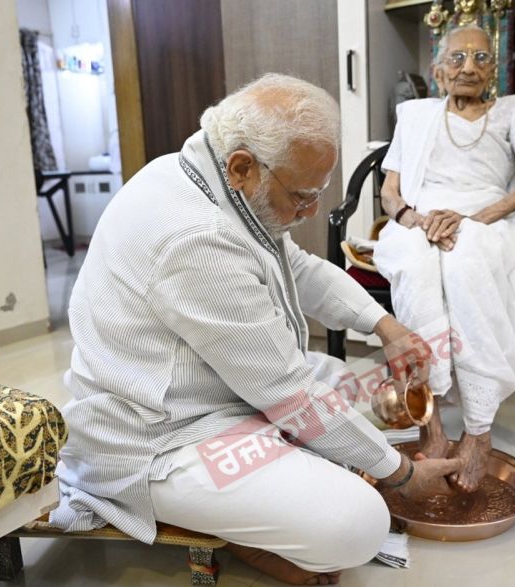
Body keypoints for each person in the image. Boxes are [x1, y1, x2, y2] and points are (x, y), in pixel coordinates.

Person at [49, 73, 459, 586]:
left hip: (215, 391)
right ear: (243, 166)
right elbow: (289, 394)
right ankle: (223, 524)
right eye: (304, 194)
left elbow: (301, 269)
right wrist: (401, 476)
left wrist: (385, 325)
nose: (311, 210)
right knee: (360, 523)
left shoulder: (211, 180)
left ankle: (253, 513)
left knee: (356, 391)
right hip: (159, 439)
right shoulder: (195, 237)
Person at [373, 24, 515, 493]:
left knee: (465, 265)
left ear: (494, 68)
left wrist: (472, 218)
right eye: (457, 58)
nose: (468, 67)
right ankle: (428, 420)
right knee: (415, 268)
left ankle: (478, 428)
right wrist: (414, 219)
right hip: (420, 218)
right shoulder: (414, 115)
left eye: (480, 58)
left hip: (486, 220)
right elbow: (389, 192)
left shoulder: (513, 109)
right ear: (437, 70)